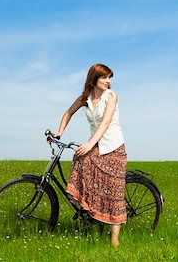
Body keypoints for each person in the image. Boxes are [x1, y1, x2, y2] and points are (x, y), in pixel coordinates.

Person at [52, 63, 127, 247]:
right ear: (94, 79)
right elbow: (68, 112)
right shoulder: (85, 97)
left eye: (109, 78)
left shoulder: (111, 96)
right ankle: (91, 211)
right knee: (80, 158)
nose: (108, 82)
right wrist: (59, 131)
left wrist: (89, 144)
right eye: (104, 77)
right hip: (96, 144)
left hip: (113, 147)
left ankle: (114, 241)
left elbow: (106, 123)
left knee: (114, 191)